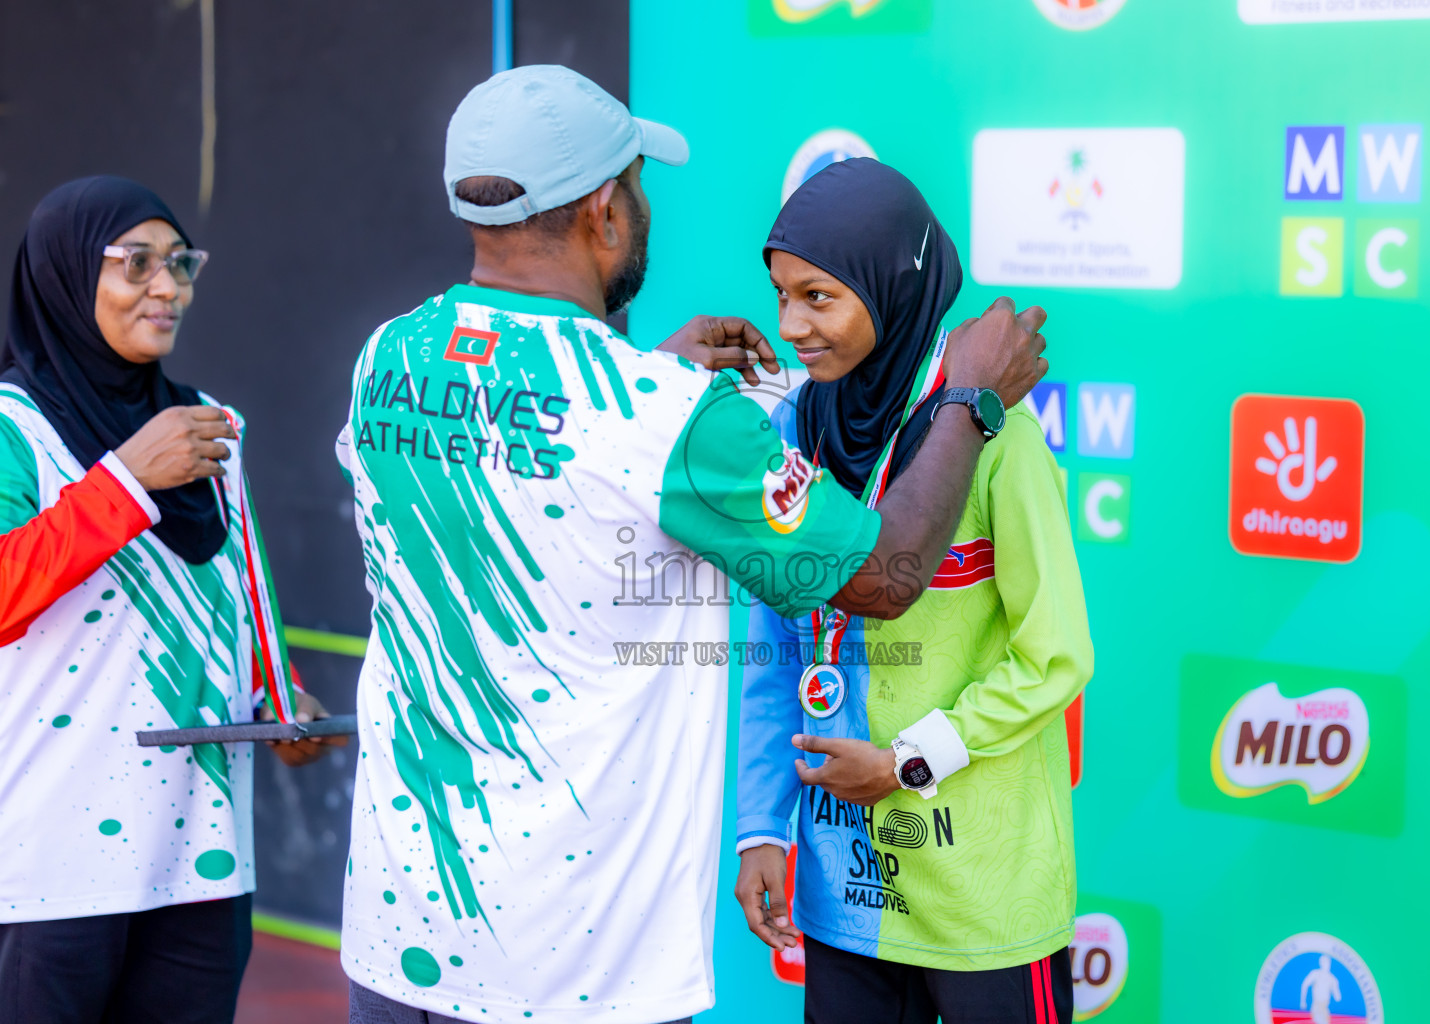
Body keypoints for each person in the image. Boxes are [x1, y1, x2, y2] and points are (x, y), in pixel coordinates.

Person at [336, 66, 1049, 1024]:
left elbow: (518, 448)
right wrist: (970, 398)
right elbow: (886, 577)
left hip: (400, 931)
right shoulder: (668, 418)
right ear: (605, 212)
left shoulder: (386, 356)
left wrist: (642, 384)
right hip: (567, 963)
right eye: (636, 184)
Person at [733, 159, 1093, 1024]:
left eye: (819, 298)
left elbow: (1055, 656)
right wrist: (759, 826)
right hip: (844, 887)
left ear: (894, 286)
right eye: (783, 296)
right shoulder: (792, 430)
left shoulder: (997, 439)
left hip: (985, 896)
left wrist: (907, 761)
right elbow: (775, 650)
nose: (792, 327)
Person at [0, 176, 342, 1024]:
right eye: (136, 264)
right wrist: (124, 482)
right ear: (64, 277)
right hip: (47, 862)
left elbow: (240, 586)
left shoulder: (206, 422)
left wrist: (274, 693)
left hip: (202, 857)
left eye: (181, 263)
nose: (168, 287)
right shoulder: (14, 426)